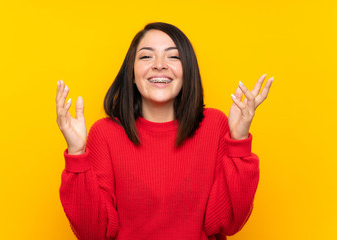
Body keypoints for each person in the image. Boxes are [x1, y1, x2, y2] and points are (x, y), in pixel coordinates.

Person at [56, 22, 273, 240]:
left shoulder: (214, 125)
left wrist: (239, 141)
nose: (159, 65)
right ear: (131, 74)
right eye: (146, 57)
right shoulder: (105, 134)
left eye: (173, 56)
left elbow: (227, 222)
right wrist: (77, 153)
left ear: (187, 71)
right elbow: (94, 232)